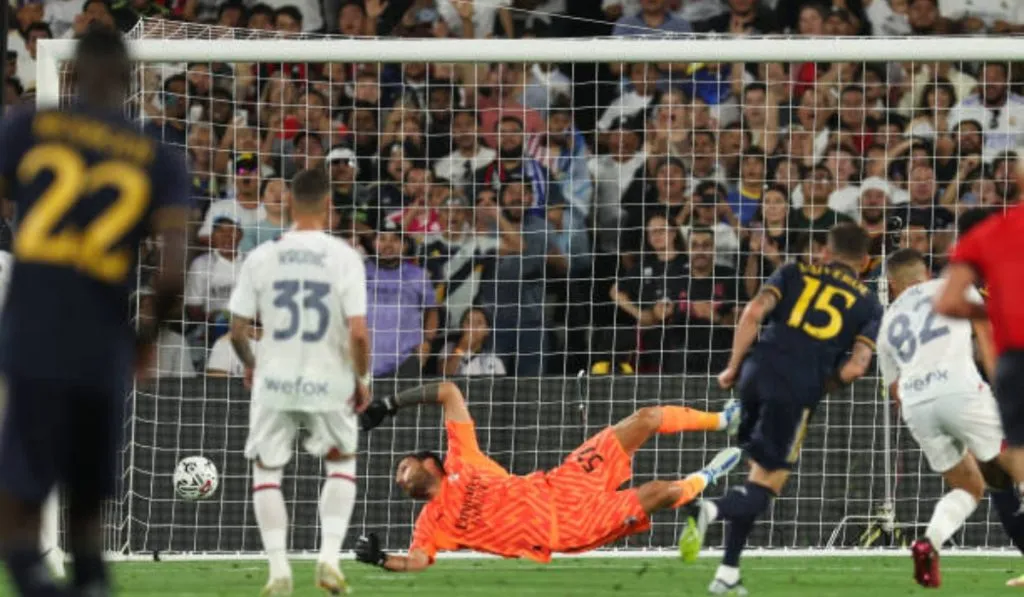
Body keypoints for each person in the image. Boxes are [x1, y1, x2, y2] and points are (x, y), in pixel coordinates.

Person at [0, 26, 190, 597]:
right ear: (131, 80)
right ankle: (88, 583)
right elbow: (175, 269)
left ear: (69, 74)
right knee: (86, 508)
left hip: (30, 335)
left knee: (22, 498)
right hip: (101, 345)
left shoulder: (28, 128)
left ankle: (36, 580)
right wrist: (147, 335)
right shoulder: (160, 157)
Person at [680, 223, 882, 595]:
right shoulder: (869, 303)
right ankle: (710, 510)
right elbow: (856, 366)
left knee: (755, 473)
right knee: (769, 483)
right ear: (866, 262)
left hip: (757, 370)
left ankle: (727, 573)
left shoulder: (792, 270)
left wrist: (732, 366)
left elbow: (754, 311)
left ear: (825, 252)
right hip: (796, 386)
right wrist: (821, 383)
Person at [353, 382, 742, 570]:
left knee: (646, 418)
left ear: (429, 462)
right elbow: (419, 560)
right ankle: (703, 481)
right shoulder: (432, 522)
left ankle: (724, 420)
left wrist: (389, 404)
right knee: (658, 492)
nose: (400, 477)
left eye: (403, 466)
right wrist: (383, 558)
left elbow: (449, 392)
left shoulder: (462, 457)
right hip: (567, 527)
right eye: (399, 479)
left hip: (565, 480)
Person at [226, 168, 371, 595]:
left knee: (267, 469)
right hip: (330, 378)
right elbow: (358, 333)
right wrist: (361, 378)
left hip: (274, 378)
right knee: (341, 462)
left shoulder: (262, 255)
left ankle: (278, 570)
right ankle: (328, 558)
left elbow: (236, 329)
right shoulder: (344, 256)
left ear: (288, 202)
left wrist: (251, 364)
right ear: (329, 205)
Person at [878, 248, 1016, 588]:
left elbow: (894, 391)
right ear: (925, 273)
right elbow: (986, 334)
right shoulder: (953, 287)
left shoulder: (886, 323)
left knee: (968, 486)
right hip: (960, 389)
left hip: (916, 403)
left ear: (892, 286)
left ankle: (930, 542)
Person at [935, 189, 1024, 588]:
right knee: (998, 473)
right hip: (989, 388)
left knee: (1004, 469)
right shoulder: (981, 276)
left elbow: (984, 334)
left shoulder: (990, 265)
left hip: (1002, 381)